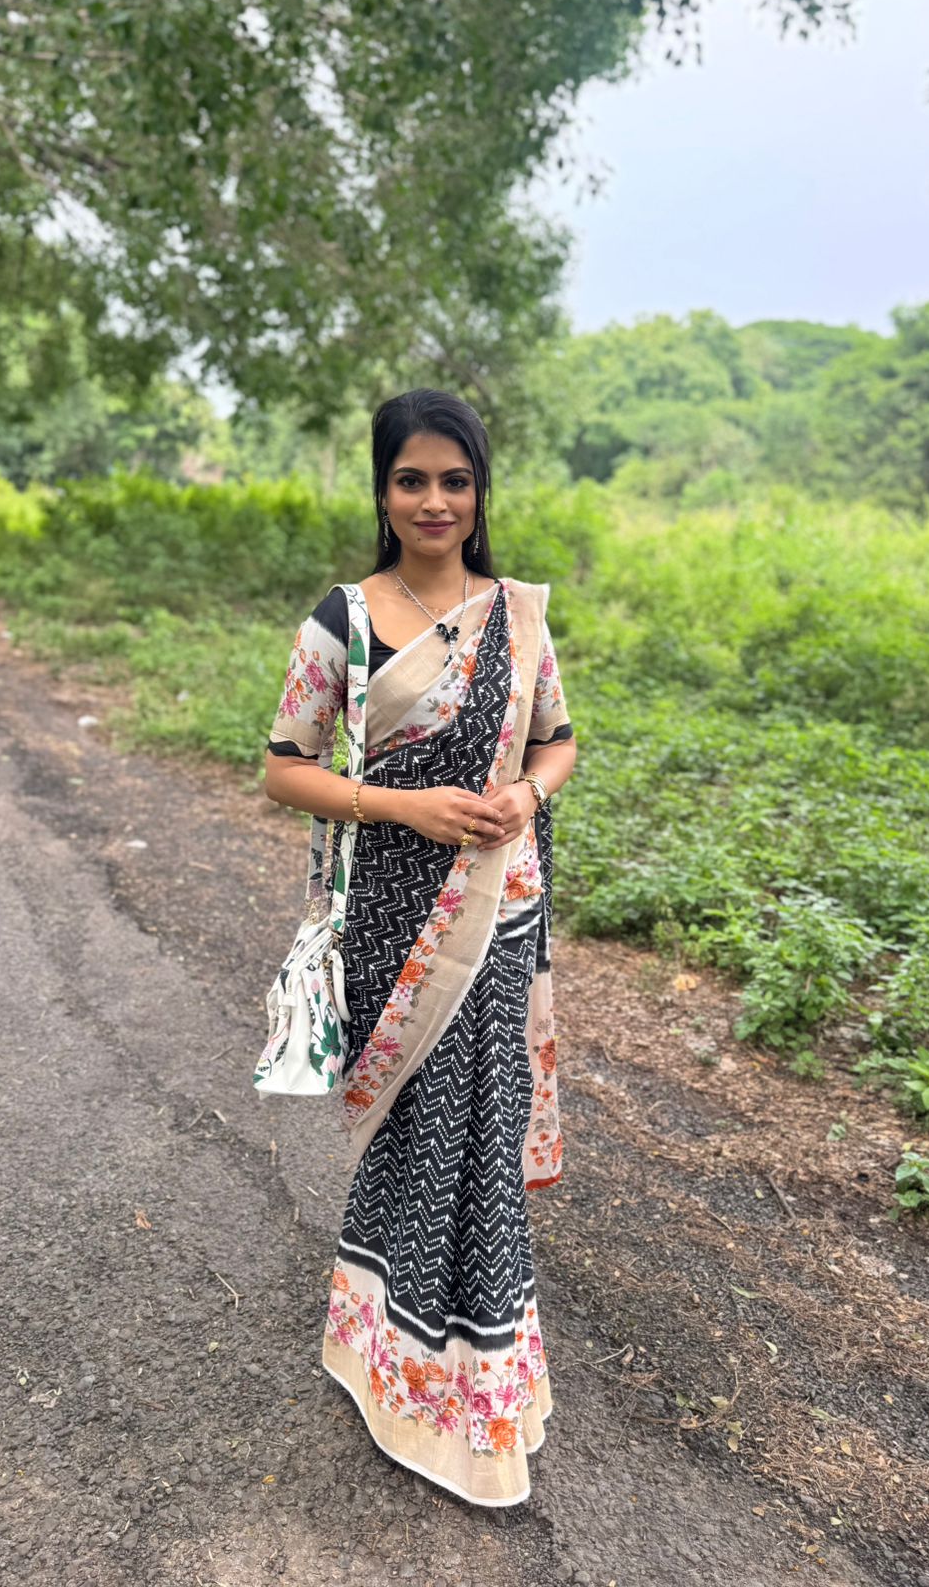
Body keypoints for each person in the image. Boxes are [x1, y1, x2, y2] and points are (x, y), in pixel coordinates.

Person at [262, 387, 577, 1507]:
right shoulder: (344, 619)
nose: (434, 500)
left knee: (479, 1136)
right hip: (391, 919)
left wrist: (526, 797)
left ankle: (471, 1384)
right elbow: (284, 767)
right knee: (413, 1135)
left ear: (479, 491)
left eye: (455, 479)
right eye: (412, 480)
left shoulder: (516, 617)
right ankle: (382, 1349)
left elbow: (557, 742)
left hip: (497, 912)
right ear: (383, 492)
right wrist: (407, 807)